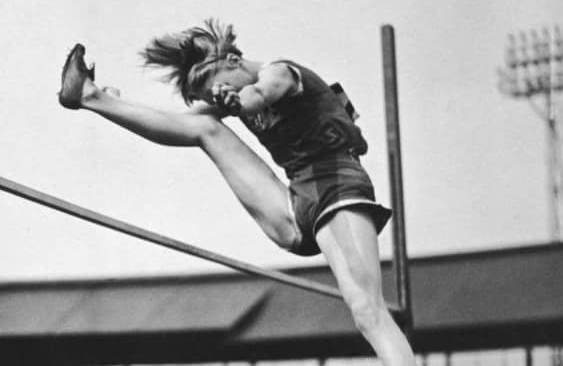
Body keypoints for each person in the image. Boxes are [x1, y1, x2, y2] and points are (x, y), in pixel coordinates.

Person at [58, 19, 416, 365]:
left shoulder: (280, 72)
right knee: (204, 127)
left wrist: (236, 102)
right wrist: (117, 105)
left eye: (219, 87)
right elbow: (178, 121)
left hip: (337, 190)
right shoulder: (229, 94)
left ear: (233, 61)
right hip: (292, 210)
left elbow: (258, 94)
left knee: (366, 309)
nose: (218, 97)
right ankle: (90, 97)